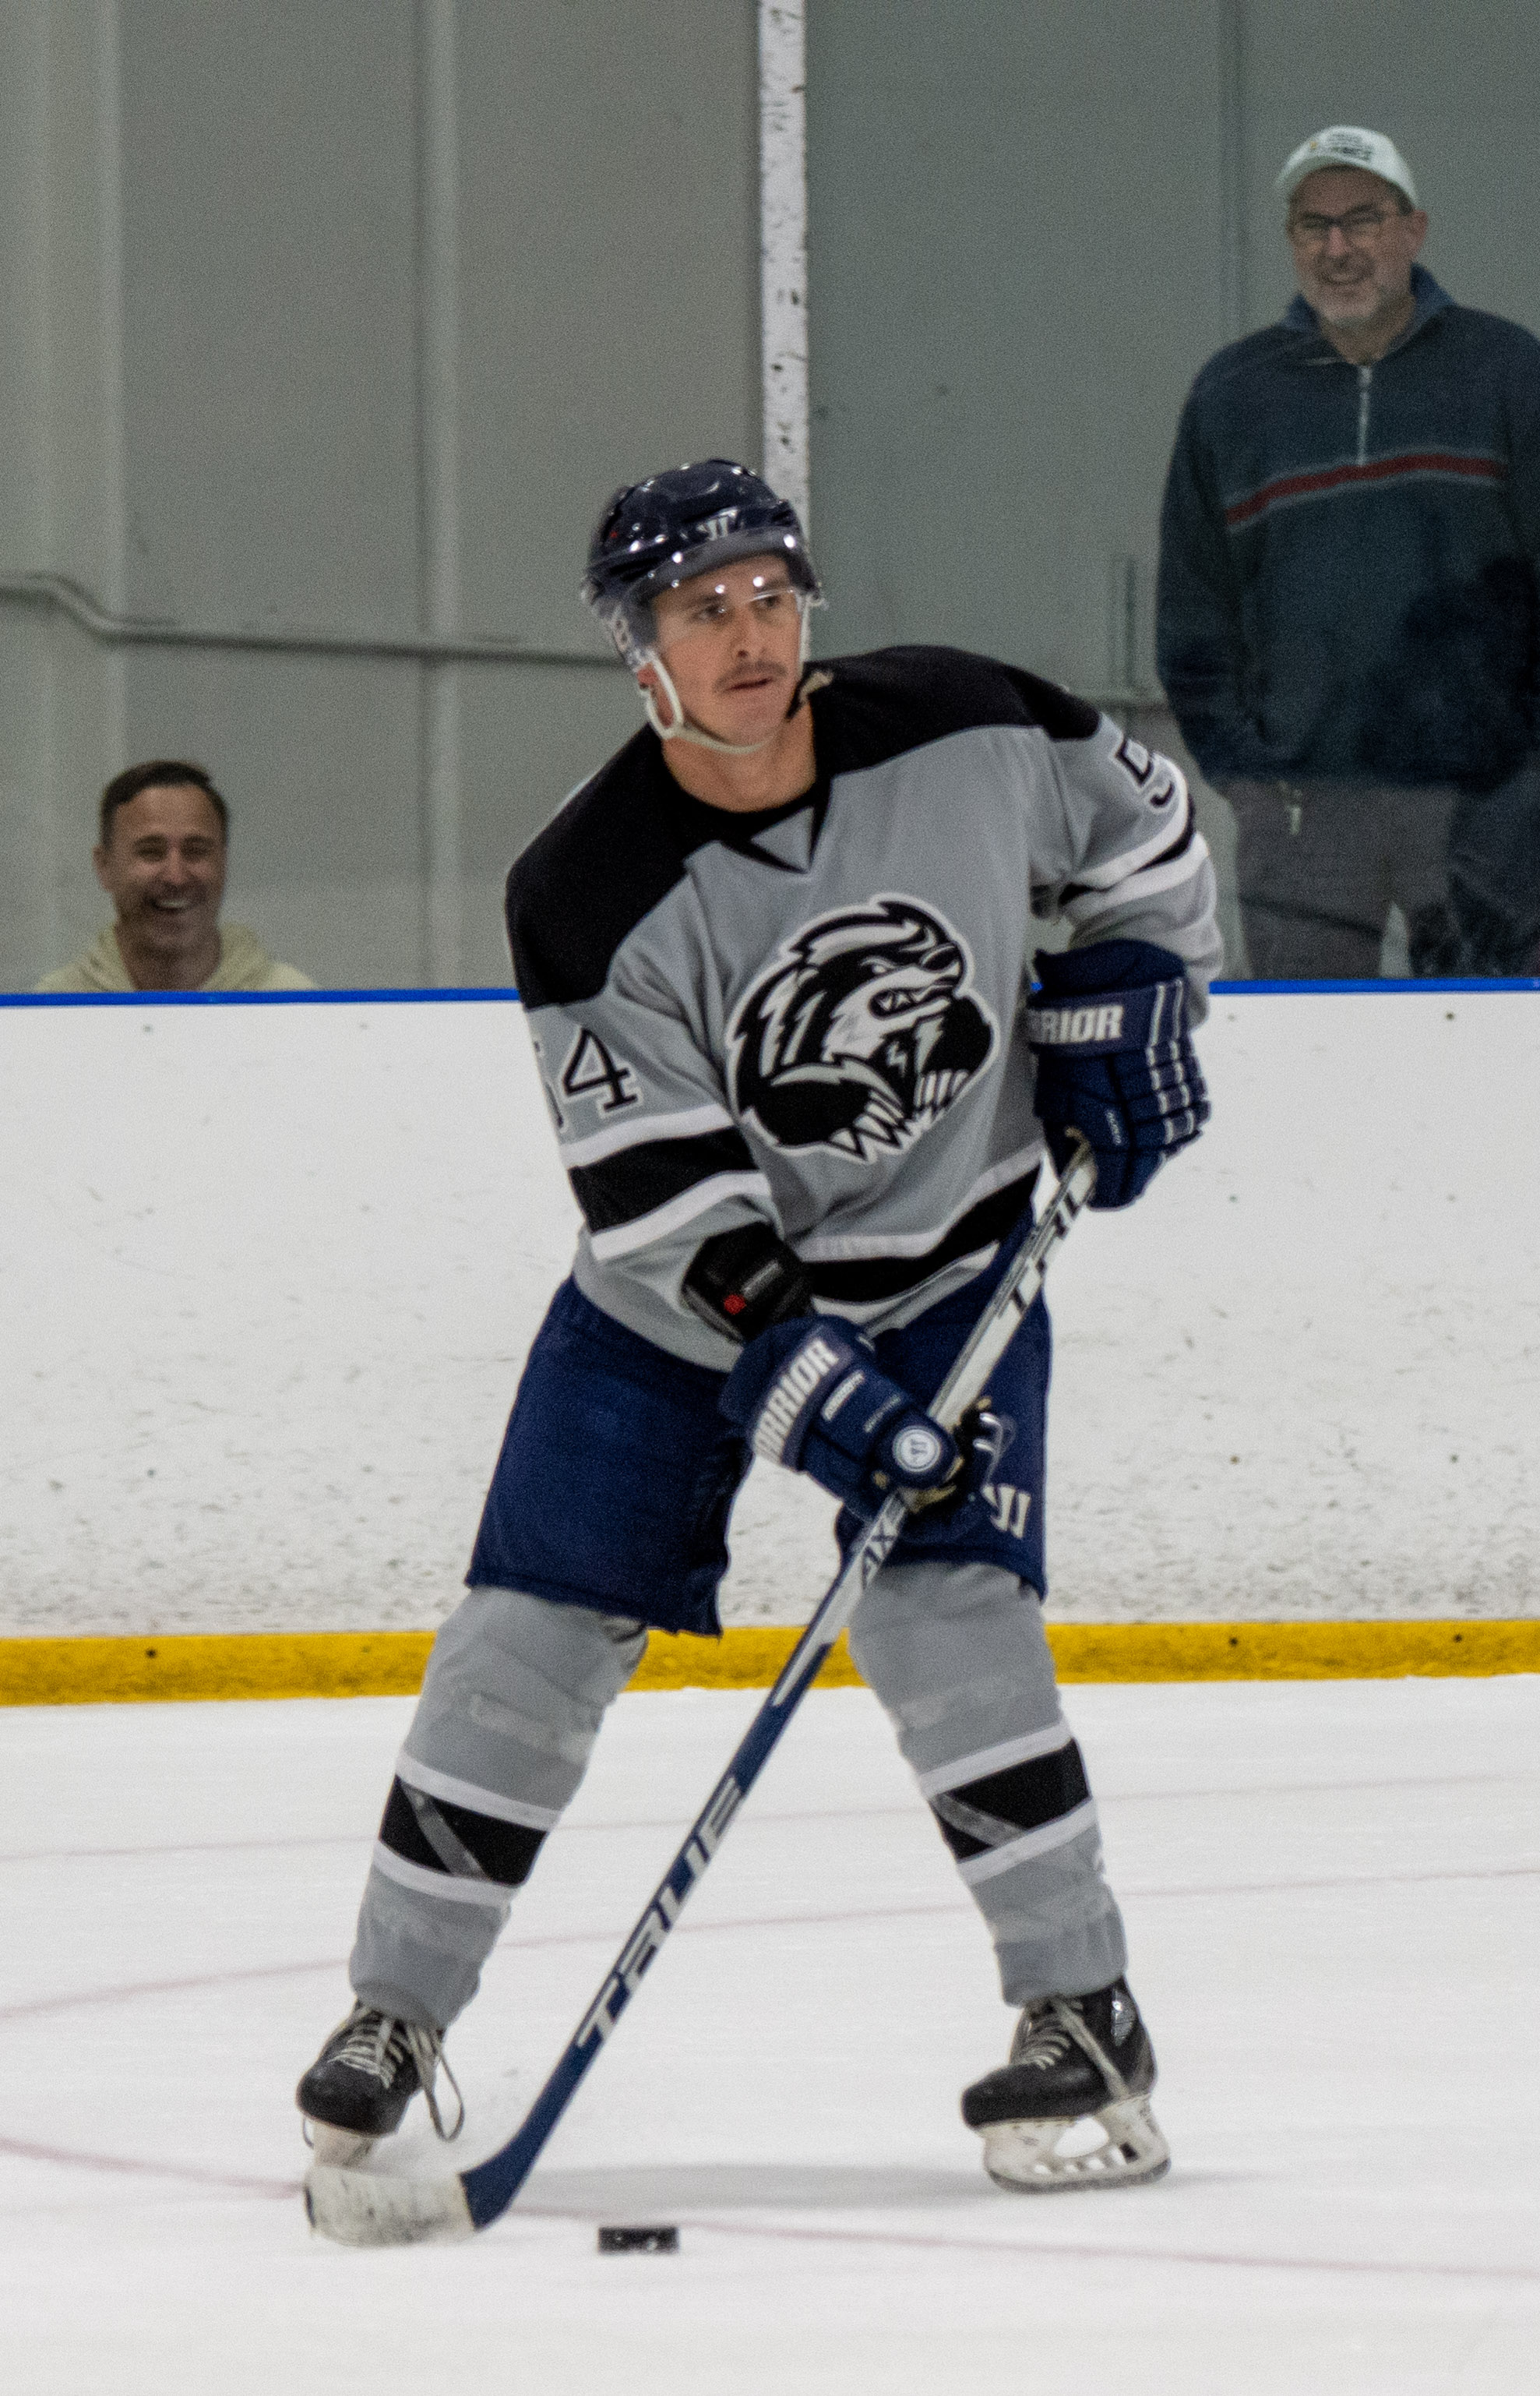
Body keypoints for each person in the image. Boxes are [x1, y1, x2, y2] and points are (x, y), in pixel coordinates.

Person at [295, 460, 1219, 2193]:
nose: (747, 633)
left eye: (769, 594)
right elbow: (654, 1191)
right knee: (525, 1639)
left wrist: (1139, 985)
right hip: (674, 1316)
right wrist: (791, 1357)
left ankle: (1082, 2009)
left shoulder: (969, 722)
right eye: (699, 608)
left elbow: (1149, 840)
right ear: (638, 653)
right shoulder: (582, 885)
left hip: (946, 1267)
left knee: (949, 1615)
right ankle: (395, 2013)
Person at [1157, 125, 1540, 979]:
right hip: (1301, 809)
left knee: (1480, 1037)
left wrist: (1538, 750)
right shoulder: (1231, 395)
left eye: (1363, 220)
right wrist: (1241, 770)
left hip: (1478, 798)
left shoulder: (1506, 370)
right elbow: (1194, 602)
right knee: (1309, 1043)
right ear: (1292, 240)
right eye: (1314, 225)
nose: (1338, 249)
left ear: (1414, 231)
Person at [34, 760, 312, 994]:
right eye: (151, 852)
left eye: (196, 851)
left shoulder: (293, 1005)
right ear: (105, 867)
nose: (176, 877)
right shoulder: (51, 1011)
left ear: (224, 863)